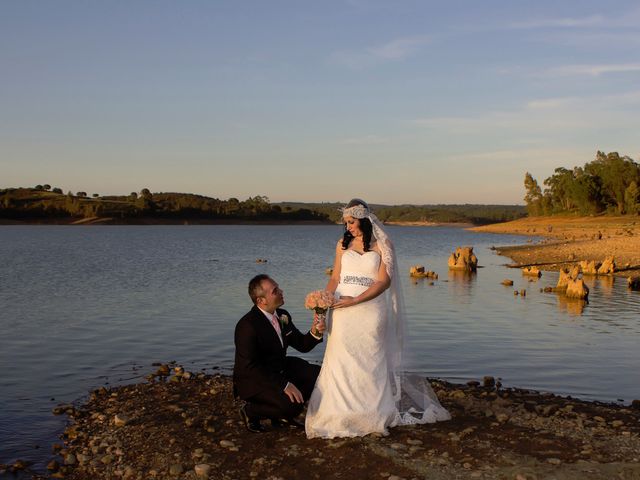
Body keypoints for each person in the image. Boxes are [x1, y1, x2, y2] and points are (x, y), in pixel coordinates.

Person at [305, 199, 450, 439]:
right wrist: (325, 297)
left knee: (370, 360)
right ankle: (338, 412)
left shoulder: (384, 245)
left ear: (363, 218)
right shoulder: (342, 245)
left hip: (370, 310)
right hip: (341, 308)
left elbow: (384, 281)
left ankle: (372, 413)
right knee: (340, 359)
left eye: (351, 222)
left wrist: (356, 300)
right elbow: (336, 277)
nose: (348, 227)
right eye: (346, 223)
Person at [234, 274, 325, 433]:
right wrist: (285, 384)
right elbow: (250, 367)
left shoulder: (283, 315)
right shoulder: (247, 326)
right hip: (255, 379)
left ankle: (283, 410)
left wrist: (316, 331)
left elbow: (302, 345)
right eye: (275, 291)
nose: (281, 291)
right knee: (290, 406)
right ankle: (250, 411)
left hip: (280, 368)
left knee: (319, 375)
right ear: (261, 300)